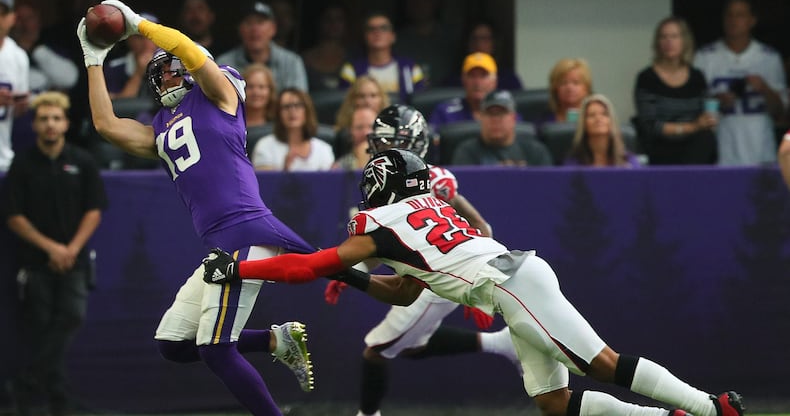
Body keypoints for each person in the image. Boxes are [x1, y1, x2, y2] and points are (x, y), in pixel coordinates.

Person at [202, 147, 745, 416]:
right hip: (514, 278)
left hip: (510, 285)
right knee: (555, 405)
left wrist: (241, 268)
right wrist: (354, 273)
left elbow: (303, 267)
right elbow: (402, 289)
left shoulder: (380, 224)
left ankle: (710, 407)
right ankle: (674, 415)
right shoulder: (422, 212)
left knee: (600, 363)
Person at [77, 0, 314, 414]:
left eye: (172, 67)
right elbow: (106, 126)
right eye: (160, 71)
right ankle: (275, 340)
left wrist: (140, 26)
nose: (166, 75)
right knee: (174, 344)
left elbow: (191, 52)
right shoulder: (161, 126)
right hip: (221, 244)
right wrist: (93, 59)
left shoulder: (220, 94)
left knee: (217, 349)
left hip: (247, 231)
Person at [325, 105, 520, 416]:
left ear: (410, 144)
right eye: (378, 142)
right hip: (424, 277)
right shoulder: (390, 186)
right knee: (412, 346)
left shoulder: (434, 180)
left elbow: (481, 228)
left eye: (387, 143)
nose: (377, 148)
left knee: (375, 351)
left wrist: (479, 289)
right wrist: (352, 270)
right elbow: (382, 248)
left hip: (438, 281)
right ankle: (502, 344)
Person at [2, 91, 107, 416]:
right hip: (35, 262)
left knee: (71, 316)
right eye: (44, 119)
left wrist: (70, 249)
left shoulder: (82, 161)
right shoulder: (23, 163)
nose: (50, 125)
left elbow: (95, 209)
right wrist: (51, 249)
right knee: (40, 325)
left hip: (74, 260)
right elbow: (13, 216)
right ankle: (58, 400)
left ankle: (25, 382)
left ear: (66, 124)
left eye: (56, 119)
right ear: (34, 125)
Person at [693, 0, 787, 166]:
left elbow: (780, 113)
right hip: (721, 149)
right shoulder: (705, 57)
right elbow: (692, 108)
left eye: (740, 15)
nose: (733, 20)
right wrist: (717, 101)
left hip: (760, 150)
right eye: (729, 15)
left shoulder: (769, 57)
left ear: (752, 20)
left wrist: (764, 89)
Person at [634, 16, 717, 165]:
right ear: (657, 43)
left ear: (684, 41)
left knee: (706, 139)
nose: (669, 42)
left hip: (694, 148)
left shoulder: (697, 77)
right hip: (659, 146)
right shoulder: (647, 78)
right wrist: (692, 127)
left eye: (674, 36)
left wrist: (706, 122)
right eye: (663, 37)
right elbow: (650, 126)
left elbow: (705, 116)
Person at [216, 0, 308, 92]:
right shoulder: (224, 63)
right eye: (249, 22)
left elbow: (298, 102)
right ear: (239, 29)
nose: (254, 29)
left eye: (260, 22)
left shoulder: (292, 62)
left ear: (273, 28)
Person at [338, 12, 426, 103]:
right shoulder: (351, 70)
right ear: (365, 36)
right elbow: (346, 107)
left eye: (384, 28)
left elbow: (421, 104)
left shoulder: (410, 68)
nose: (377, 32)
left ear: (393, 36)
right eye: (371, 29)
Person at [451, 90, 552, 167]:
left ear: (513, 118)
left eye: (501, 113)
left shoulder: (535, 152)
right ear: (480, 118)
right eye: (490, 114)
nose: (495, 119)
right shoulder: (467, 152)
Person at [392, 0, 460, 87]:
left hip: (447, 93)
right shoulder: (399, 40)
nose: (418, 6)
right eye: (413, 2)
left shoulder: (450, 38)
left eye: (423, 0)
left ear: (434, 2)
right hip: (412, 96)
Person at [251, 87, 334, 171]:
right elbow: (263, 182)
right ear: (278, 113)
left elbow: (328, 183)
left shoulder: (324, 149)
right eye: (286, 107)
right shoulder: (265, 146)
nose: (292, 111)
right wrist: (284, 170)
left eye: (298, 105)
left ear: (307, 111)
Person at [11, 0, 79, 94]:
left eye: (29, 18)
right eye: (19, 19)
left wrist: (33, 49)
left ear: (38, 19)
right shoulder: (5, 51)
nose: (24, 24)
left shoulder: (54, 43)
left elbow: (69, 79)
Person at [564, 94, 641, 167]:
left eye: (604, 114)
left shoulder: (628, 162)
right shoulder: (574, 163)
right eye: (591, 115)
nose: (598, 118)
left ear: (612, 121)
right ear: (583, 124)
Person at [444, 19, 523, 91]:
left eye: (484, 38)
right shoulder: (452, 81)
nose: (479, 44)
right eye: (474, 38)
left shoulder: (509, 80)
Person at [428, 52, 499, 131]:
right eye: (472, 76)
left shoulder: (504, 113)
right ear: (463, 80)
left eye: (483, 76)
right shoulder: (444, 112)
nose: (477, 82)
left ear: (494, 81)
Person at [0, 0, 30, 172]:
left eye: (3, 13)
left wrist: (21, 104)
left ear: (13, 18)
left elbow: (18, 112)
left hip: (3, 156)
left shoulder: (18, 56)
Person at [104, 12, 160, 100]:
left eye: (151, 37)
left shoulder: (171, 65)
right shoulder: (114, 68)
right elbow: (117, 107)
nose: (146, 43)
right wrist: (138, 73)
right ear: (129, 39)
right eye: (140, 37)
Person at [332, 75, 390, 158]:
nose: (367, 101)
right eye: (362, 96)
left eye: (373, 95)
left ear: (381, 99)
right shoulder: (342, 134)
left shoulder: (391, 127)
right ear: (353, 100)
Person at [301, 4, 350, 91]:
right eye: (328, 18)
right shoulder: (303, 60)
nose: (333, 23)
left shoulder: (353, 58)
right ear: (319, 22)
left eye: (339, 19)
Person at [540, 58, 593, 127]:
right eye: (563, 83)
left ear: (586, 88)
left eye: (576, 82)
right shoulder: (544, 122)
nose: (569, 88)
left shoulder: (597, 120)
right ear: (555, 88)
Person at [242, 63, 277, 159]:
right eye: (250, 87)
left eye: (261, 87)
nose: (256, 92)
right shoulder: (231, 123)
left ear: (270, 91)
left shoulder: (279, 124)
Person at [332, 106, 376, 170]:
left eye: (371, 126)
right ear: (350, 131)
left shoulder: (392, 160)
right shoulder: (339, 167)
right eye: (359, 127)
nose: (366, 133)